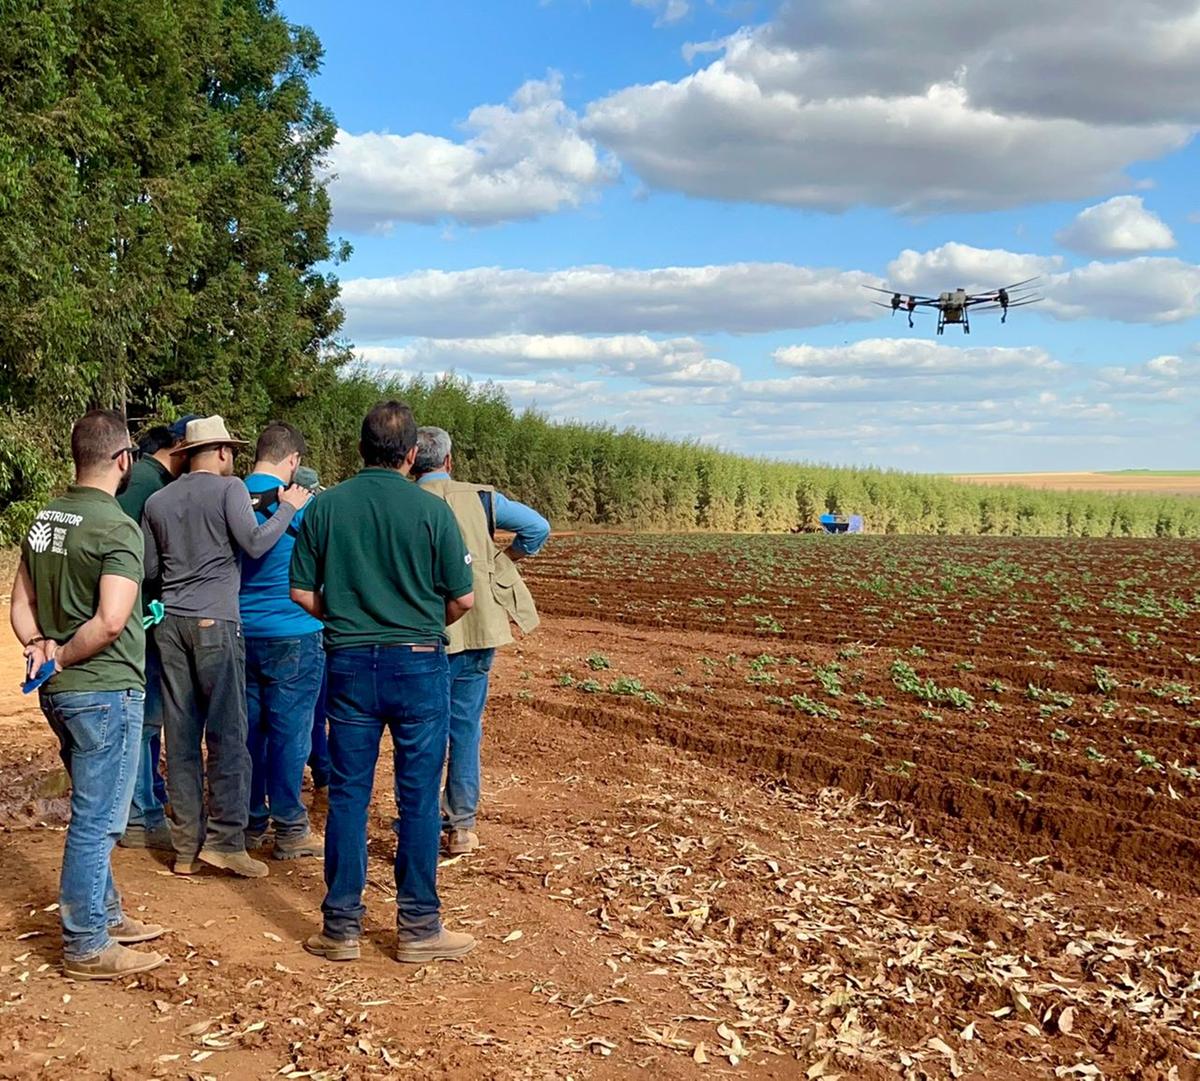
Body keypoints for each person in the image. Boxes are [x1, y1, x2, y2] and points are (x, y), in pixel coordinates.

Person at [289, 401, 477, 964]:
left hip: (348, 664)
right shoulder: (432, 511)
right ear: (413, 454)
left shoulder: (325, 509)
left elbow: (300, 592)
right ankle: (419, 926)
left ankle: (340, 928)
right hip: (419, 663)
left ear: (359, 449)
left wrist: (347, 615)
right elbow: (462, 597)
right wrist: (419, 624)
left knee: (349, 795)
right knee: (418, 797)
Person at [9, 410, 167, 979]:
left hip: (61, 695)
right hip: (105, 690)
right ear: (124, 459)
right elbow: (110, 621)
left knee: (93, 808)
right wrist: (63, 654)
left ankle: (108, 913)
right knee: (97, 820)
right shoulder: (117, 527)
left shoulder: (44, 518)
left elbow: (20, 603)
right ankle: (85, 943)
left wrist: (39, 646)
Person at [142, 415, 309, 878]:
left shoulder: (157, 500)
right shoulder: (228, 489)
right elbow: (255, 544)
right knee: (228, 736)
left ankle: (184, 848)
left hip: (170, 625)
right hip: (217, 621)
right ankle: (227, 841)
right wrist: (287, 509)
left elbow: (151, 569)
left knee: (180, 738)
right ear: (219, 452)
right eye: (229, 450)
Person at [410, 427, 547, 855]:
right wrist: (501, 562)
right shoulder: (482, 498)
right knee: (465, 725)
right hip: (477, 626)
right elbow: (537, 528)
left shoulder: (404, 499)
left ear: (411, 460)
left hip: (422, 628)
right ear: (449, 461)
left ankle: (421, 819)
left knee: (420, 728)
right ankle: (462, 826)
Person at [240, 422, 323, 859]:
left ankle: (251, 822)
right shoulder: (302, 506)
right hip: (294, 631)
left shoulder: (230, 498)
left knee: (249, 732)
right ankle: (290, 827)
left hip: (241, 633)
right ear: (292, 461)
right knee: (291, 733)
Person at [116, 415, 198, 850]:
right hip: (139, 616)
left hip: (122, 612)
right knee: (145, 722)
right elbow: (149, 565)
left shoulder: (139, 477)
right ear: (181, 447)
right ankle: (140, 814)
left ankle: (144, 804)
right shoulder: (155, 487)